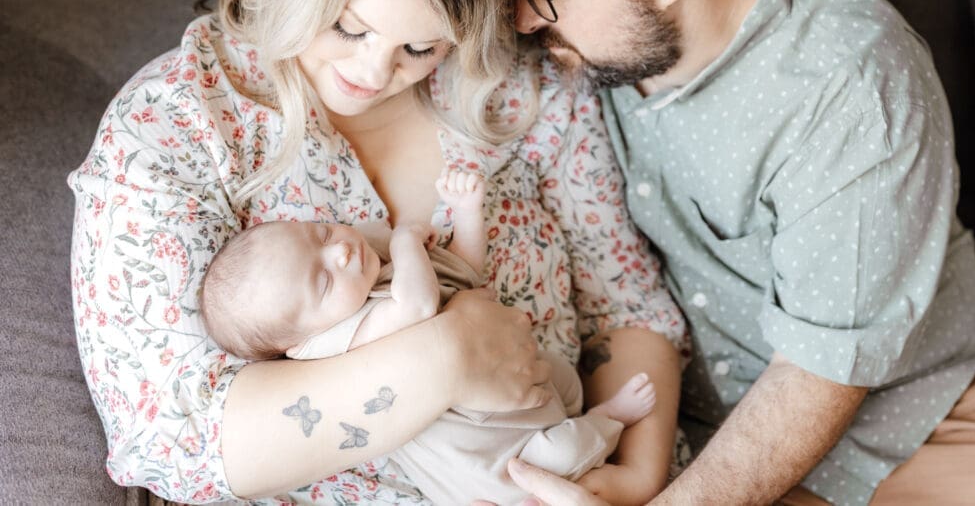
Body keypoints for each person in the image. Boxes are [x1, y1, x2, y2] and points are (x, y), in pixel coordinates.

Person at [67, 0, 685, 503]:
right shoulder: (177, 124)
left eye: (420, 47)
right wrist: (443, 358)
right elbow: (172, 433)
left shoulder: (522, 90)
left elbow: (623, 304)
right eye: (348, 27)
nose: (372, 70)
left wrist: (635, 480)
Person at [490, 0, 975, 504]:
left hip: (913, 427)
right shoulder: (592, 42)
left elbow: (818, 372)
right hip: (689, 436)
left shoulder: (852, 89)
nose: (523, 20)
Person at [200, 170, 659, 505]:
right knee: (562, 453)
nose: (338, 250)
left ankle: (584, 416)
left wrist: (467, 213)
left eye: (318, 233)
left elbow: (464, 272)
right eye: (322, 281)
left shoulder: (375, 279)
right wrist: (404, 242)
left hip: (520, 397)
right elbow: (418, 307)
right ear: (298, 344)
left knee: (559, 372)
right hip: (501, 467)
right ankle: (608, 419)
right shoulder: (336, 341)